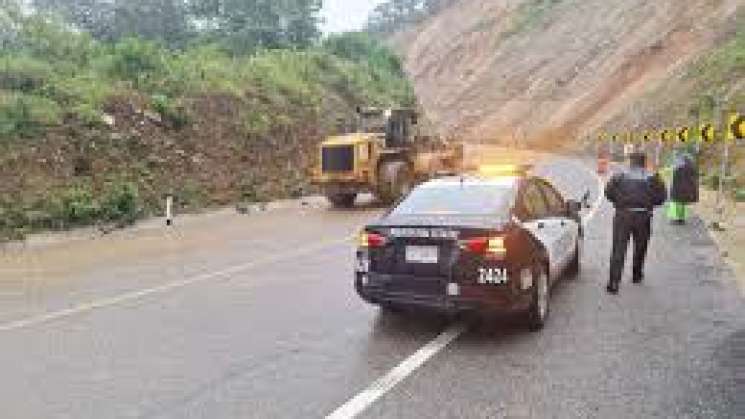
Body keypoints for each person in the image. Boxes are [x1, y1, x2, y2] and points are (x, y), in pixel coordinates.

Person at [604, 151, 667, 294]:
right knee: (641, 247)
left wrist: (619, 203)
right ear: (644, 162)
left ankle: (614, 282)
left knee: (618, 249)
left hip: (623, 215)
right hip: (643, 215)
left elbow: (608, 193)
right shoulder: (653, 177)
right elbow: (662, 197)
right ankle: (636, 274)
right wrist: (650, 204)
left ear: (630, 161)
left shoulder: (619, 175)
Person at [666, 147, 699, 224]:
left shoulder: (678, 164)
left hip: (677, 187)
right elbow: (694, 177)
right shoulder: (691, 164)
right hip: (686, 188)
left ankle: (675, 218)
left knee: (675, 203)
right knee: (683, 204)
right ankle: (681, 218)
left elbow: (672, 173)